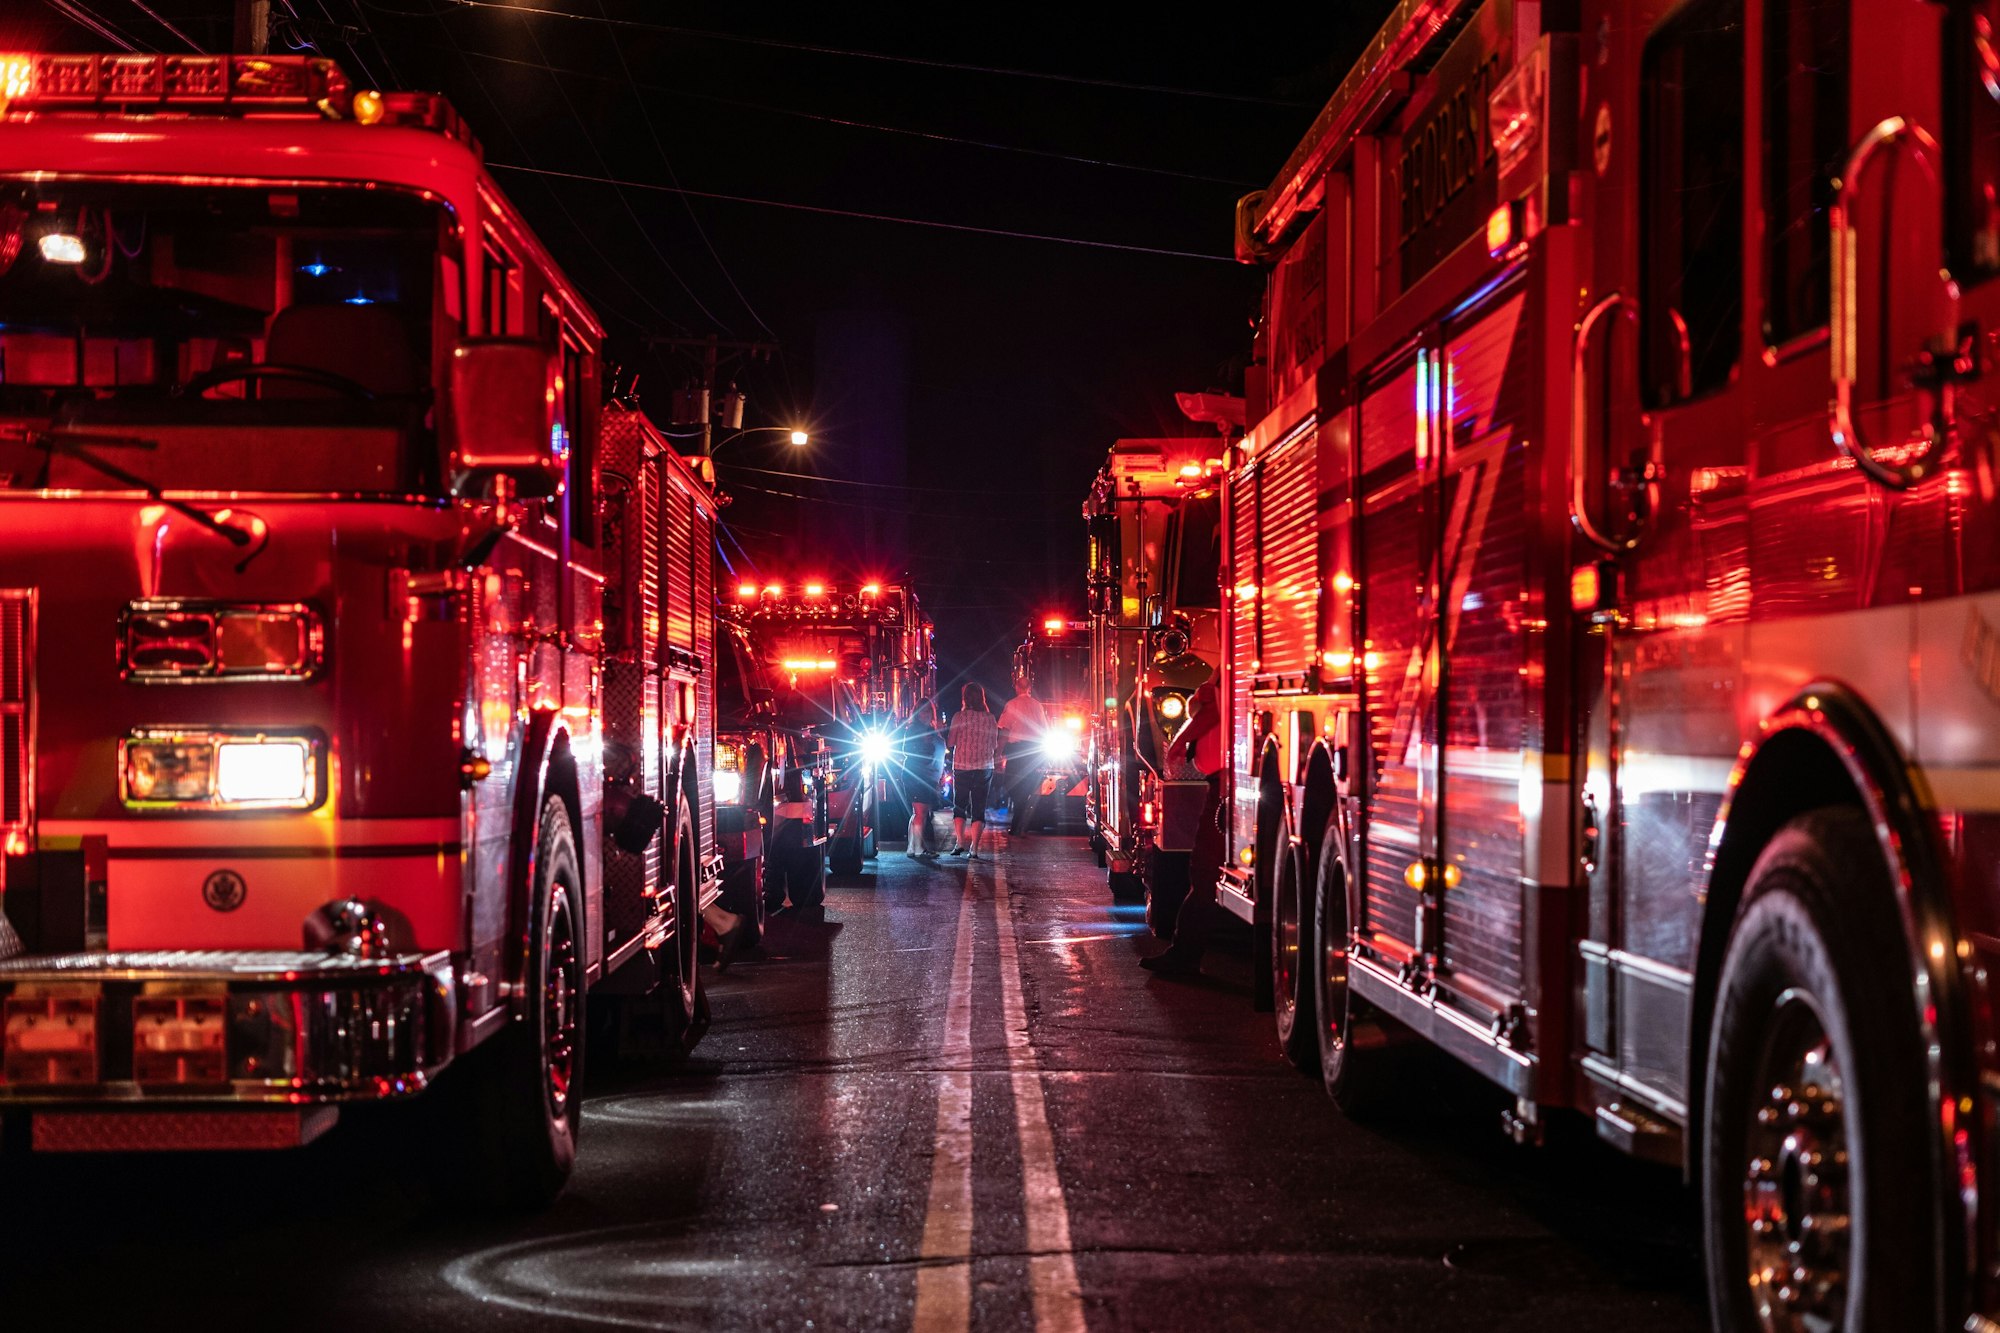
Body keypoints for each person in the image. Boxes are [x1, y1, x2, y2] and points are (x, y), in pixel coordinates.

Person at [1140, 673, 1223, 977]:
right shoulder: (1225, 666)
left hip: (1226, 782)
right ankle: (1184, 953)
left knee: (1204, 871)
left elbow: (1216, 710)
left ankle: (1184, 956)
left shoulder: (1229, 665)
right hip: (1222, 782)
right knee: (1205, 872)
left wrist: (1180, 741)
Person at [946, 682, 999, 859]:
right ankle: (974, 848)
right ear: (982, 698)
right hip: (984, 767)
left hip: (962, 766)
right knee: (979, 807)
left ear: (965, 698)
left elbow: (951, 742)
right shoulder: (990, 718)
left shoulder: (958, 717)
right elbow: (994, 745)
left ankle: (960, 842)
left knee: (959, 805)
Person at [996, 675, 1048, 837]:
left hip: (1016, 751)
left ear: (1017, 687)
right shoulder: (1037, 706)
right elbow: (1044, 730)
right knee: (1027, 787)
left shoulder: (1011, 705)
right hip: (1033, 750)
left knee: (1011, 785)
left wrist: (998, 752)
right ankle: (1021, 822)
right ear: (1029, 688)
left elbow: (1004, 731)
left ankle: (1018, 824)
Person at [899, 695, 944, 859]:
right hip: (917, 775)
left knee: (918, 812)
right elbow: (907, 750)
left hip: (924, 776)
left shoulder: (928, 730)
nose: (926, 715)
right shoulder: (914, 730)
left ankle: (914, 846)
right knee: (920, 812)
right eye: (922, 712)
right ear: (917, 713)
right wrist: (924, 745)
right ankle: (918, 848)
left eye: (928, 711)